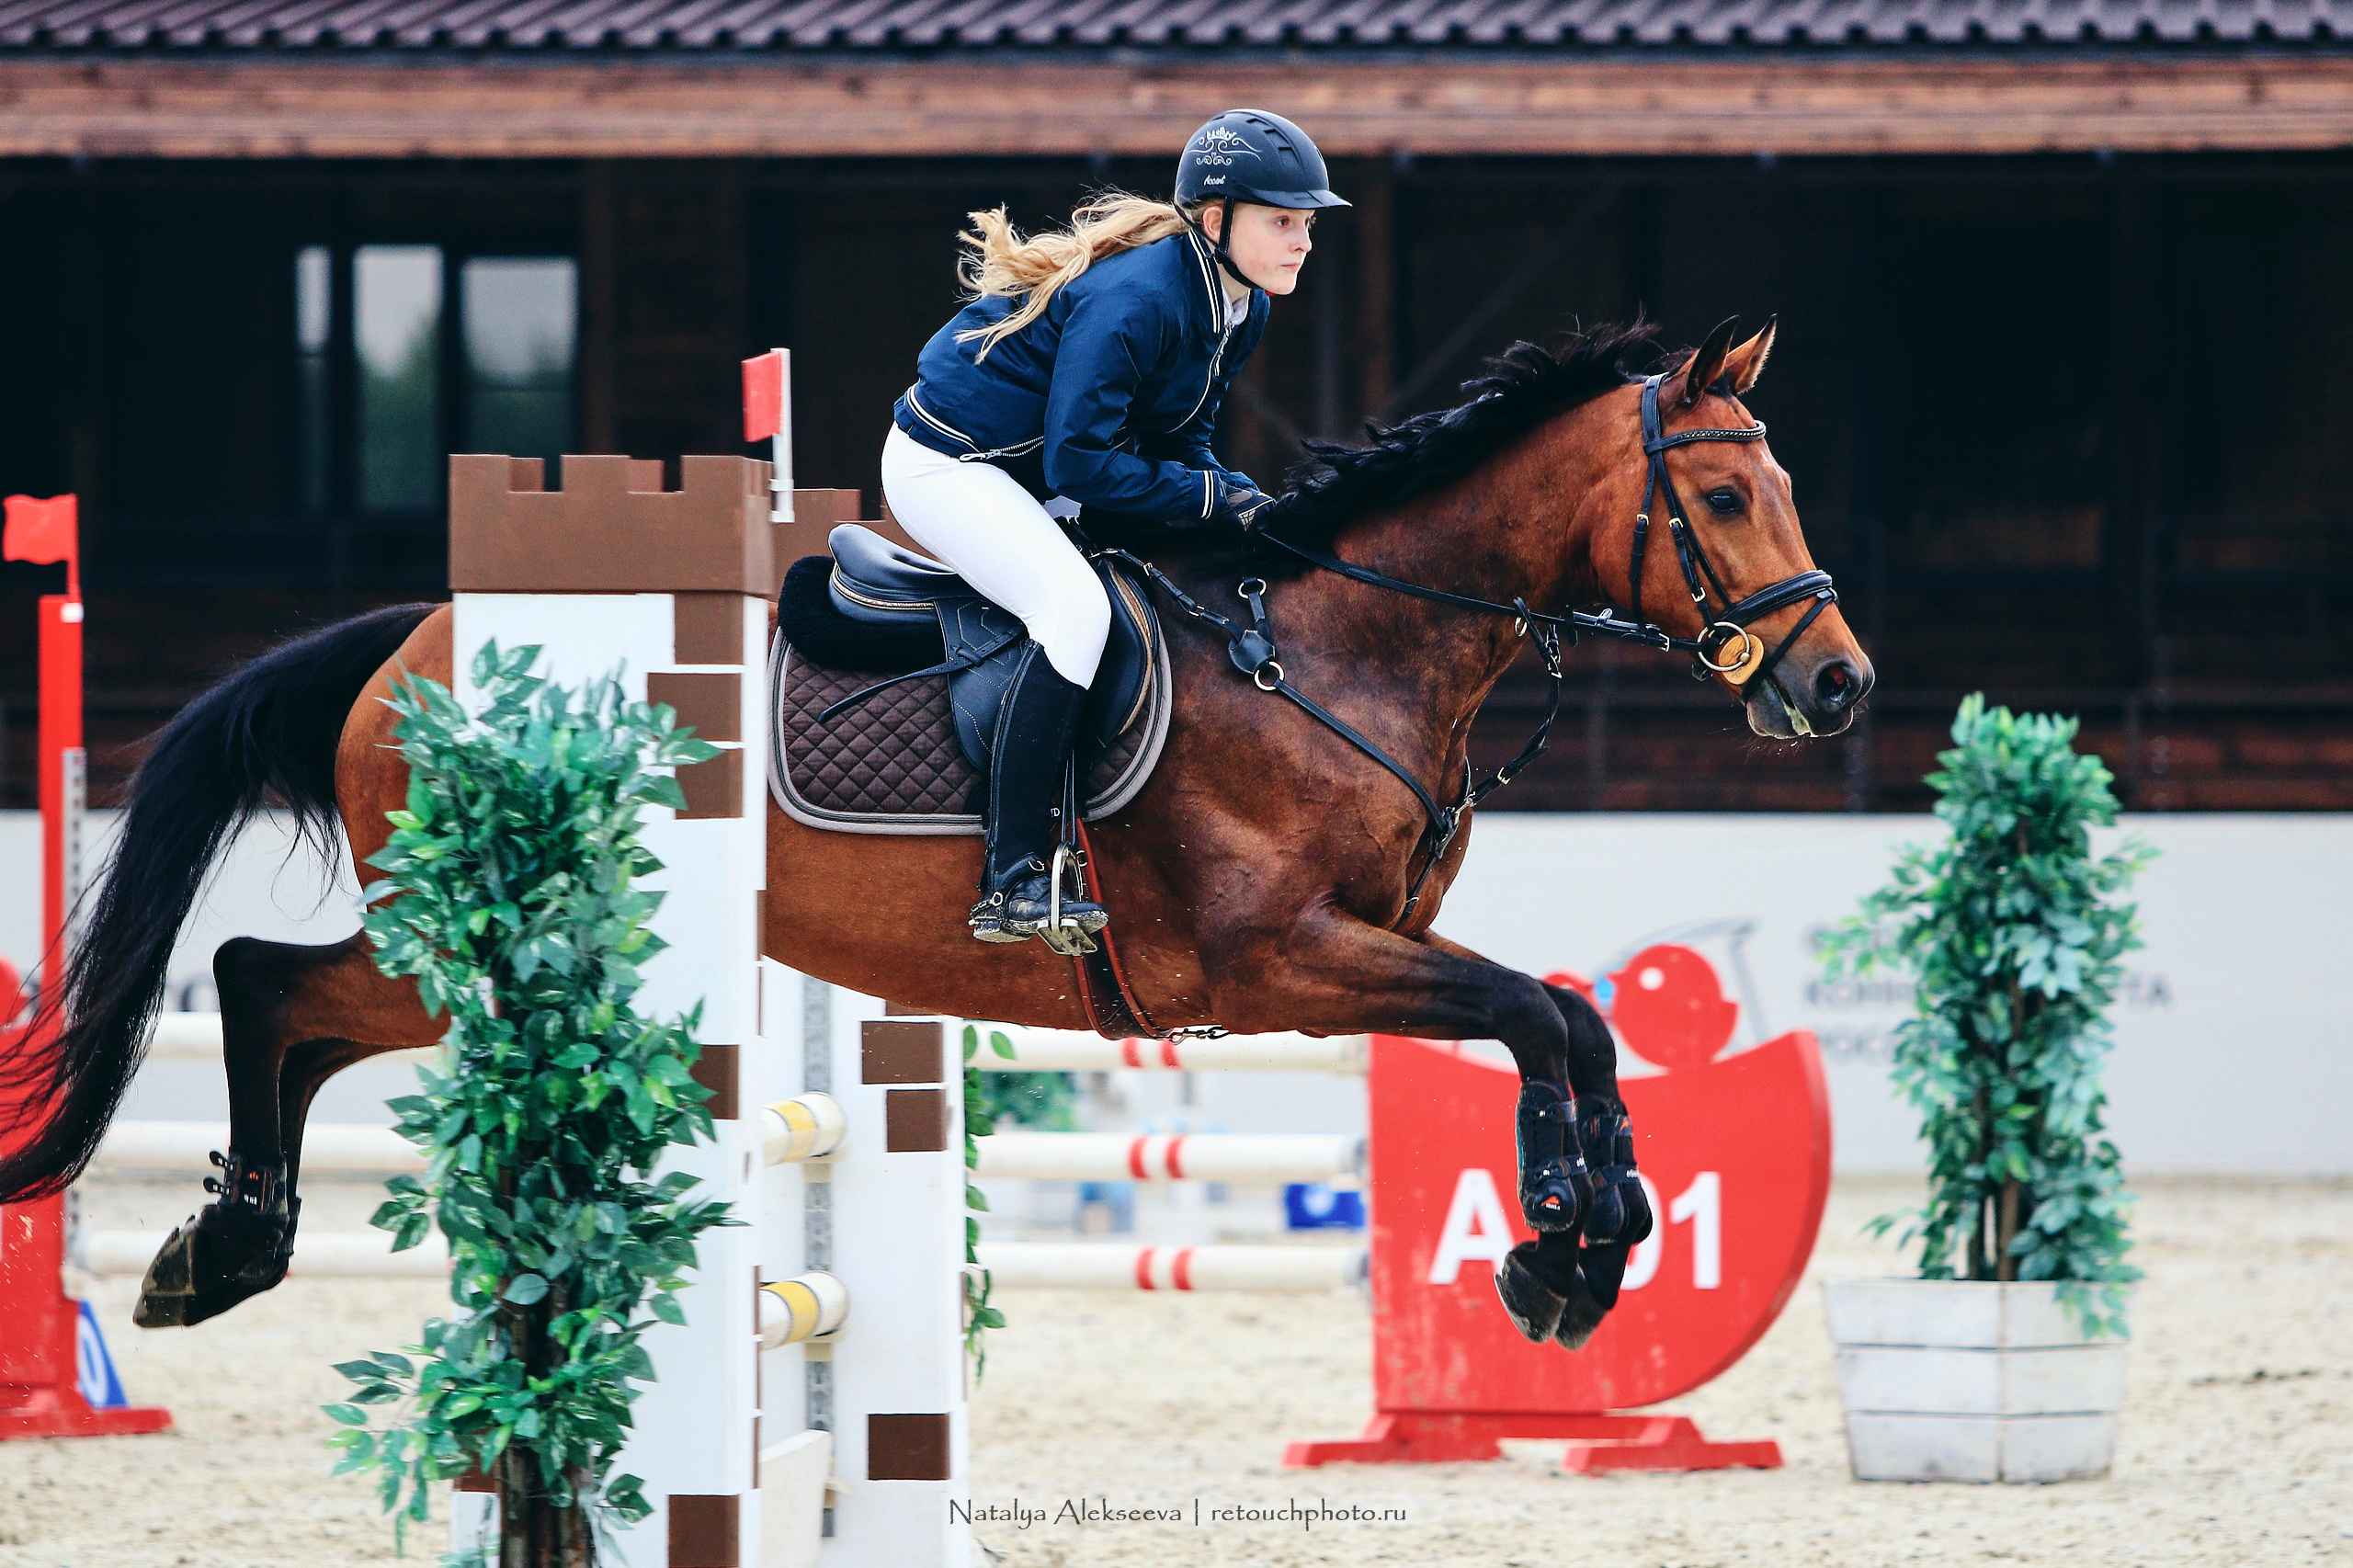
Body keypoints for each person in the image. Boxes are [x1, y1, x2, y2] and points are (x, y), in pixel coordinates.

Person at [883, 109, 1347, 945]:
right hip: (949, 465)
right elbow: (1079, 468)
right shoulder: (1136, 298)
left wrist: (1228, 500)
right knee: (1075, 611)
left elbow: (1181, 437)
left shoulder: (1242, 305)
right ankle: (1014, 876)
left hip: (1034, 472)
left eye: (1307, 223)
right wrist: (1213, 499)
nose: (1303, 241)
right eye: (1282, 221)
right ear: (1216, 221)